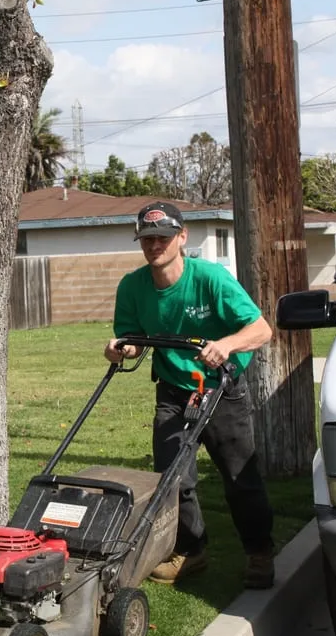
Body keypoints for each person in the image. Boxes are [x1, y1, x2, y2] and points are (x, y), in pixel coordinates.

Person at [104, 201, 276, 589]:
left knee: (239, 476)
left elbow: (262, 329)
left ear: (182, 238)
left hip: (222, 388)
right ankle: (192, 550)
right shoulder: (132, 287)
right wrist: (120, 349)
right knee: (172, 477)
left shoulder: (211, 279)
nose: (154, 246)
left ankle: (259, 551)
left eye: (162, 238)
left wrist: (227, 345)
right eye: (147, 239)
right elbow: (133, 340)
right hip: (173, 390)